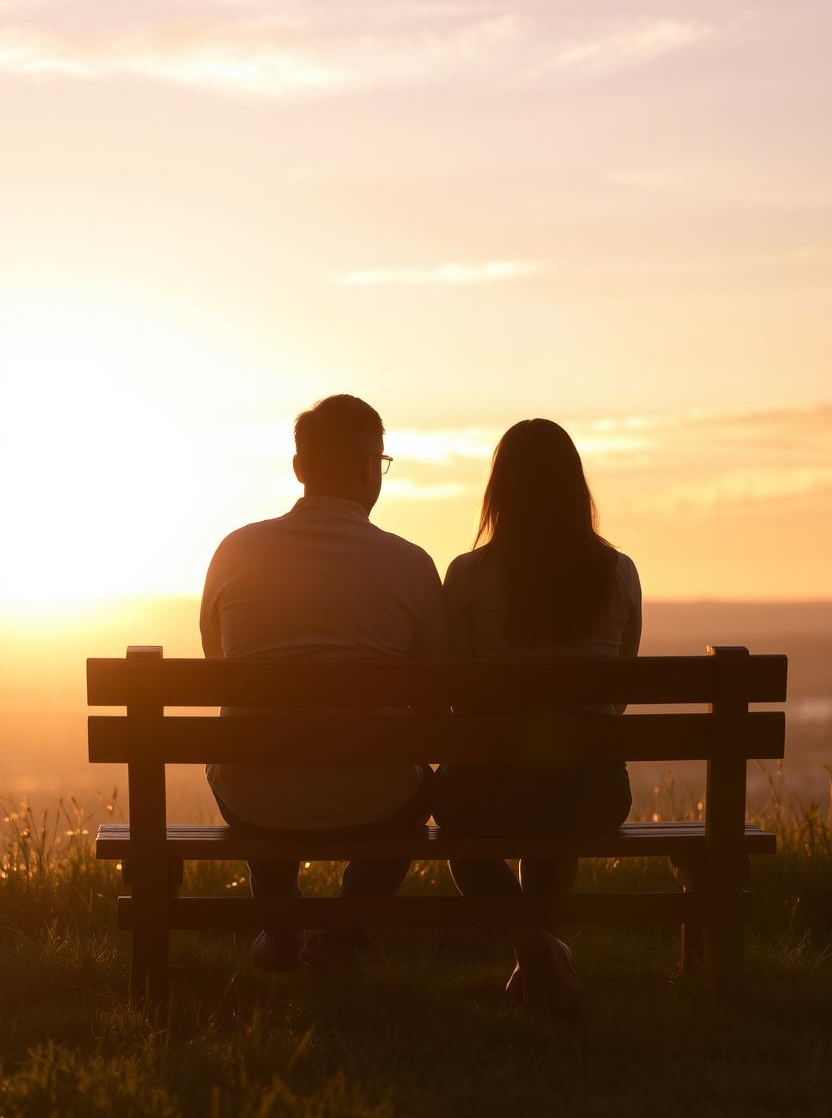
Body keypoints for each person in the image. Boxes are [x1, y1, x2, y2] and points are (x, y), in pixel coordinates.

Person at [200, 394, 447, 971]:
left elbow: (220, 668)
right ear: (368, 469)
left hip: (252, 795)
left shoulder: (234, 551)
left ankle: (279, 924)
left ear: (299, 470)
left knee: (258, 752)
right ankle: (342, 934)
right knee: (415, 795)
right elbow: (438, 692)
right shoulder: (410, 563)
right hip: (375, 799)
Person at [432, 418, 641, 1016]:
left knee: (465, 831)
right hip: (595, 794)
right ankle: (543, 951)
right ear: (577, 489)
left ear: (499, 493)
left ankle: (532, 945)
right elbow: (618, 696)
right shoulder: (618, 572)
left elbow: (457, 693)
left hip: (484, 794)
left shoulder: (468, 576)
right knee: (559, 790)